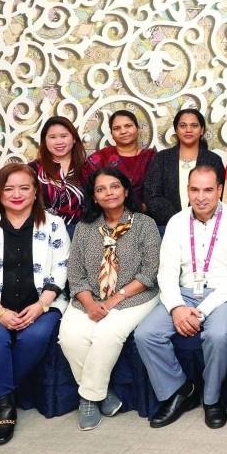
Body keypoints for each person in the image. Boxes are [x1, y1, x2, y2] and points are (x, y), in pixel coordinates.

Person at [0, 163, 70, 446]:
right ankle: (6, 409)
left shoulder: (53, 225)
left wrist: (41, 305)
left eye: (24, 188)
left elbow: (62, 268)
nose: (17, 194)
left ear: (35, 192)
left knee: (35, 336)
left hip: (42, 304)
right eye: (9, 189)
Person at [133, 165, 227, 429]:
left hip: (225, 295)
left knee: (218, 335)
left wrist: (202, 312)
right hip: (184, 293)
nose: (201, 197)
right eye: (195, 190)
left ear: (219, 190)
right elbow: (166, 272)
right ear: (187, 190)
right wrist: (177, 307)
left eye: (208, 190)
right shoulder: (177, 222)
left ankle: (211, 399)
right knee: (145, 334)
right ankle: (180, 390)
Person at [59, 167, 161, 431]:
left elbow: (150, 272)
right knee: (70, 337)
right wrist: (90, 304)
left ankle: (88, 399)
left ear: (125, 191)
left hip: (135, 296)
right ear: (94, 197)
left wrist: (113, 300)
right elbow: (75, 274)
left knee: (106, 334)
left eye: (114, 186)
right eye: (101, 189)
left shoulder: (145, 224)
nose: (109, 193)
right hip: (89, 296)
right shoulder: (84, 228)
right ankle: (101, 394)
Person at [143, 109, 226, 227]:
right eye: (183, 125)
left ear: (202, 130)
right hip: (166, 226)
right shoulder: (161, 158)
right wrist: (178, 219)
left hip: (205, 226)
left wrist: (196, 220)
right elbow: (152, 195)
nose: (188, 130)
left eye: (194, 125)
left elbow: (219, 195)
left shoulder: (213, 160)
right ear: (176, 130)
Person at [83, 110, 156, 211]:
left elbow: (159, 191)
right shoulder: (100, 158)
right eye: (117, 128)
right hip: (106, 215)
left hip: (146, 214)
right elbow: (88, 191)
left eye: (128, 126)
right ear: (111, 133)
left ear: (137, 129)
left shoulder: (151, 157)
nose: (123, 131)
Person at [29, 116, 86, 232]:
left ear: (74, 139)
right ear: (44, 141)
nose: (59, 142)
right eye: (52, 137)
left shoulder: (88, 168)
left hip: (79, 232)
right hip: (42, 231)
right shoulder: (32, 169)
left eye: (64, 136)